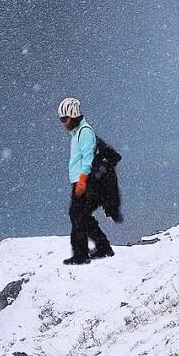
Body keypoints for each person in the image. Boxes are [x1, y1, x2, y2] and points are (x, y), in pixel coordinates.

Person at [58, 96, 114, 266]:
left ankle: (81, 254)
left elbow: (87, 158)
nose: (63, 123)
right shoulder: (77, 133)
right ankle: (103, 246)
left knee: (77, 215)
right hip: (79, 180)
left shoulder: (85, 132)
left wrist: (82, 180)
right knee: (80, 215)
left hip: (85, 181)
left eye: (65, 119)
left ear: (73, 115)